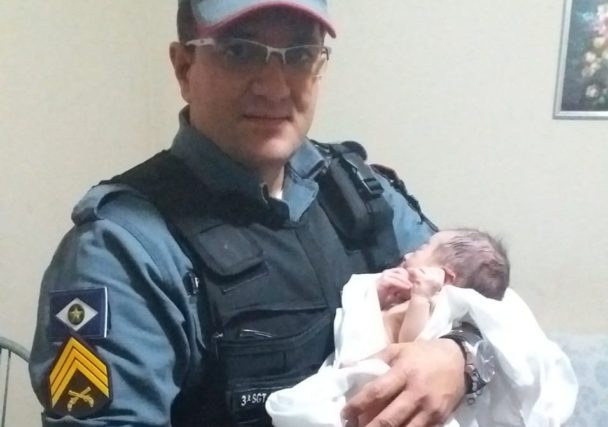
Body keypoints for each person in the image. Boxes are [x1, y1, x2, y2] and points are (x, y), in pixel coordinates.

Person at [29, 1, 487, 426]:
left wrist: (460, 356)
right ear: (184, 68)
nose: (275, 87)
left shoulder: (360, 189)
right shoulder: (121, 251)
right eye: (240, 51)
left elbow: (486, 301)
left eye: (300, 55)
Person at [377, 228, 510, 343]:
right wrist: (379, 295)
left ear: (444, 278)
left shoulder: (433, 309)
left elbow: (409, 344)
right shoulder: (402, 295)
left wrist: (420, 299)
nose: (407, 256)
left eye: (419, 251)